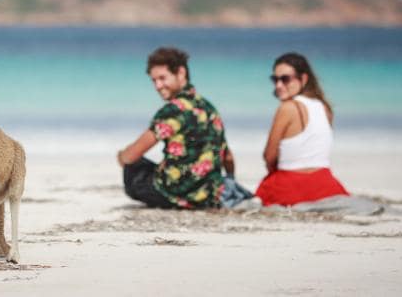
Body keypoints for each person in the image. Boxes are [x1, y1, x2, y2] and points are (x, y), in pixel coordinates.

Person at [117, 47, 241, 209]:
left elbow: (131, 156)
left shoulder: (173, 110)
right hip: (209, 196)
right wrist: (230, 179)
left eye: (162, 78)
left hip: (174, 194)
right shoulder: (209, 108)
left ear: (181, 73)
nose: (158, 86)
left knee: (133, 164)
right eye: (154, 81)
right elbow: (228, 156)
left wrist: (121, 157)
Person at [254, 52, 349, 206]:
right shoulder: (325, 107)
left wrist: (273, 173)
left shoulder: (288, 107)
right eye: (275, 79)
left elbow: (269, 156)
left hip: (290, 185)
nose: (278, 85)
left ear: (303, 79)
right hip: (325, 184)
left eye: (285, 79)